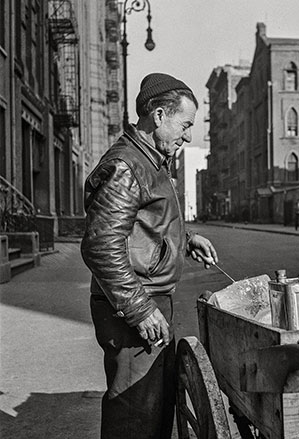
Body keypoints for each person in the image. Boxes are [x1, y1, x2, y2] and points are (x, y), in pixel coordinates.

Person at [81, 73, 218, 439]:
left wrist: (186, 238)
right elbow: (101, 246)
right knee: (134, 412)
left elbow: (140, 225)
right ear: (158, 116)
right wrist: (140, 309)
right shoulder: (128, 165)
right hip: (132, 307)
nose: (188, 135)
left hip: (147, 299)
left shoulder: (150, 161)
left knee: (154, 407)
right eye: (185, 125)